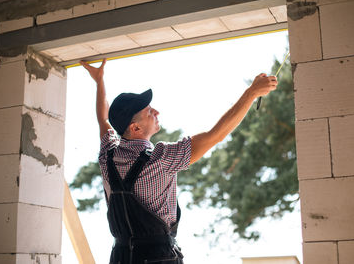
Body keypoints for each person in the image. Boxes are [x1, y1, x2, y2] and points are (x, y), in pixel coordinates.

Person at [80, 58, 278, 264]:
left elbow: (103, 119)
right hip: (158, 258)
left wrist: (99, 81)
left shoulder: (108, 156)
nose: (156, 111)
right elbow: (215, 135)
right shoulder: (161, 158)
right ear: (135, 128)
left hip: (120, 257)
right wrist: (251, 93)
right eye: (149, 112)